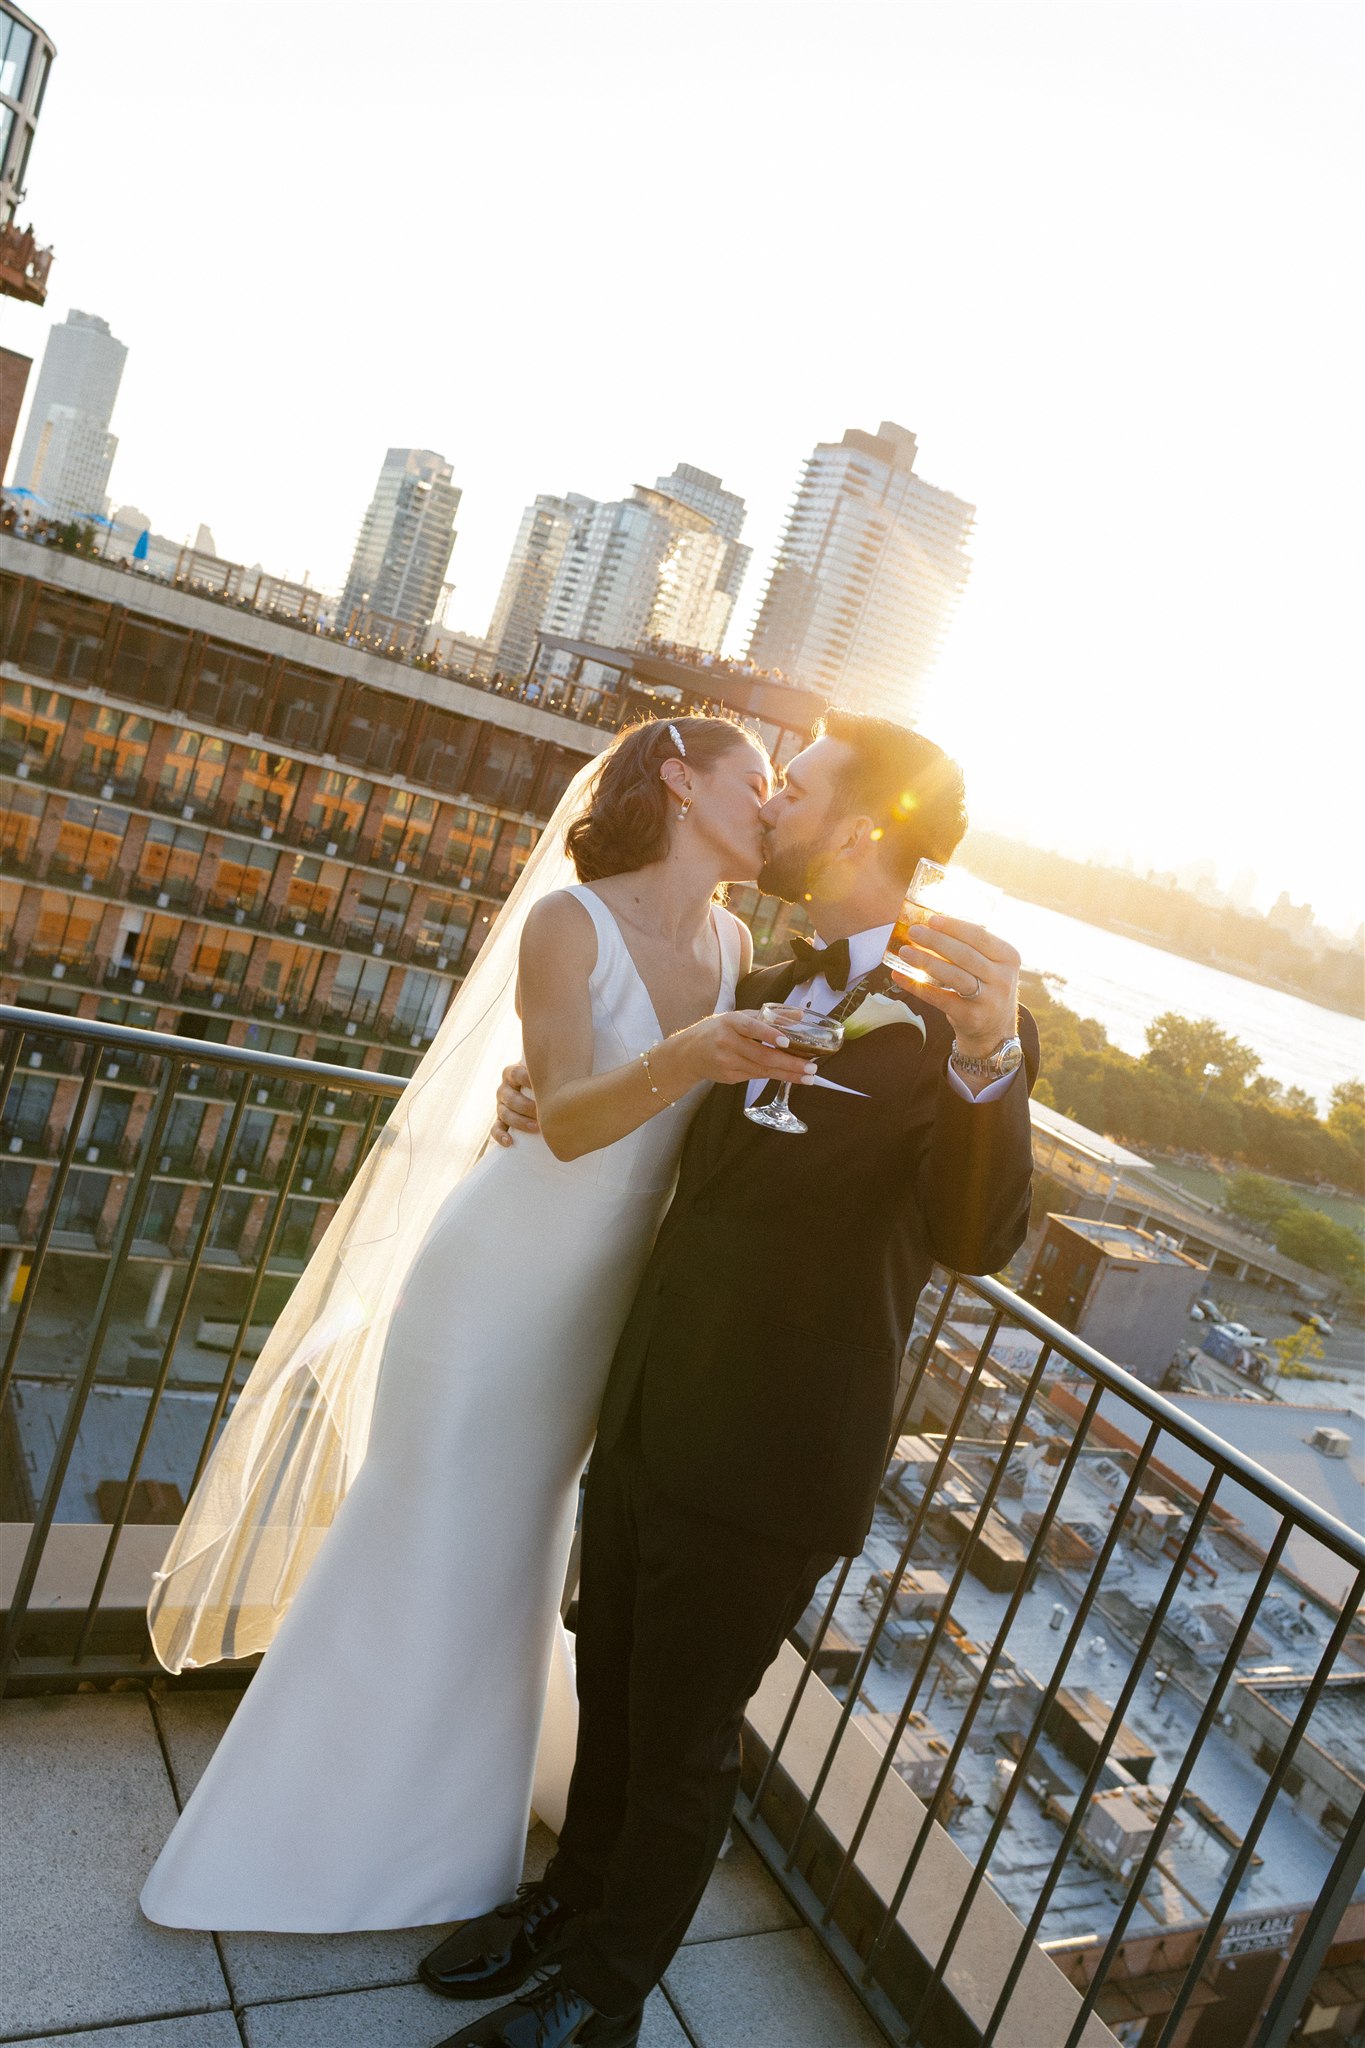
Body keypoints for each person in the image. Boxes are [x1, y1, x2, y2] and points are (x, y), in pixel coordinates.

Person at [139, 714, 813, 1933]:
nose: (772, 806)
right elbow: (559, 1114)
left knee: (513, 1554)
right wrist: (692, 1051)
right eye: (756, 780)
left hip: (598, 1309)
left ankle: (454, 1833)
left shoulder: (735, 941)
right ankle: (303, 1827)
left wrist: (702, 1055)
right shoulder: (570, 921)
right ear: (679, 779)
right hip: (496, 1281)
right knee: (424, 1525)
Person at [424, 710, 1038, 2048]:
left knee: (687, 1736)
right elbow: (662, 1123)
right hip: (652, 1405)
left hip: (771, 1453)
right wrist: (538, 1088)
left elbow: (975, 1240)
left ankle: (604, 1995)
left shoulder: (955, 1029)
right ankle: (569, 1904)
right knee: (618, 1691)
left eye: (794, 790)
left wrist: (996, 1062)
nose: (767, 810)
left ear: (860, 826)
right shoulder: (770, 984)